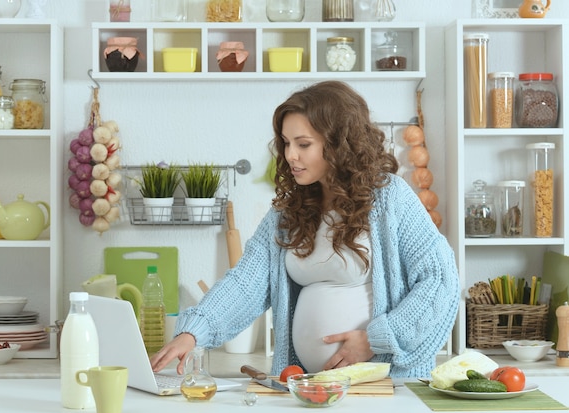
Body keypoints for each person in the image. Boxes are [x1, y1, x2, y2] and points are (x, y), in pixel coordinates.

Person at [151, 80, 460, 378]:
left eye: (303, 144)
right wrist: (193, 333)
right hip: (307, 385)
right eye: (286, 143)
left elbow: (440, 281)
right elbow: (245, 284)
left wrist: (375, 340)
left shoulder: (390, 197)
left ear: (340, 143)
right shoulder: (287, 215)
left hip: (383, 383)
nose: (290, 156)